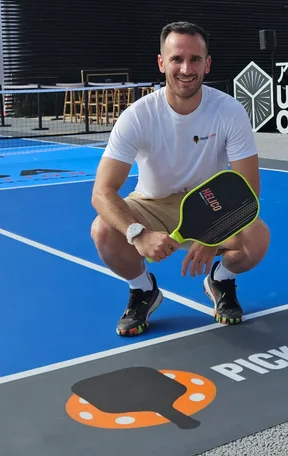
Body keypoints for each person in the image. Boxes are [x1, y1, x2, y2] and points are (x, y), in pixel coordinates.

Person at [89, 21, 271, 336]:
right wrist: (138, 234)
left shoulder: (229, 111)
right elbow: (102, 192)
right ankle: (143, 289)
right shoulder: (138, 116)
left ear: (207, 63)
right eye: (176, 59)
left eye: (195, 59)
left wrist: (209, 235)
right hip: (151, 204)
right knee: (104, 230)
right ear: (162, 63)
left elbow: (248, 191)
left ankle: (221, 281)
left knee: (256, 238)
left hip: (212, 204)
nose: (186, 68)